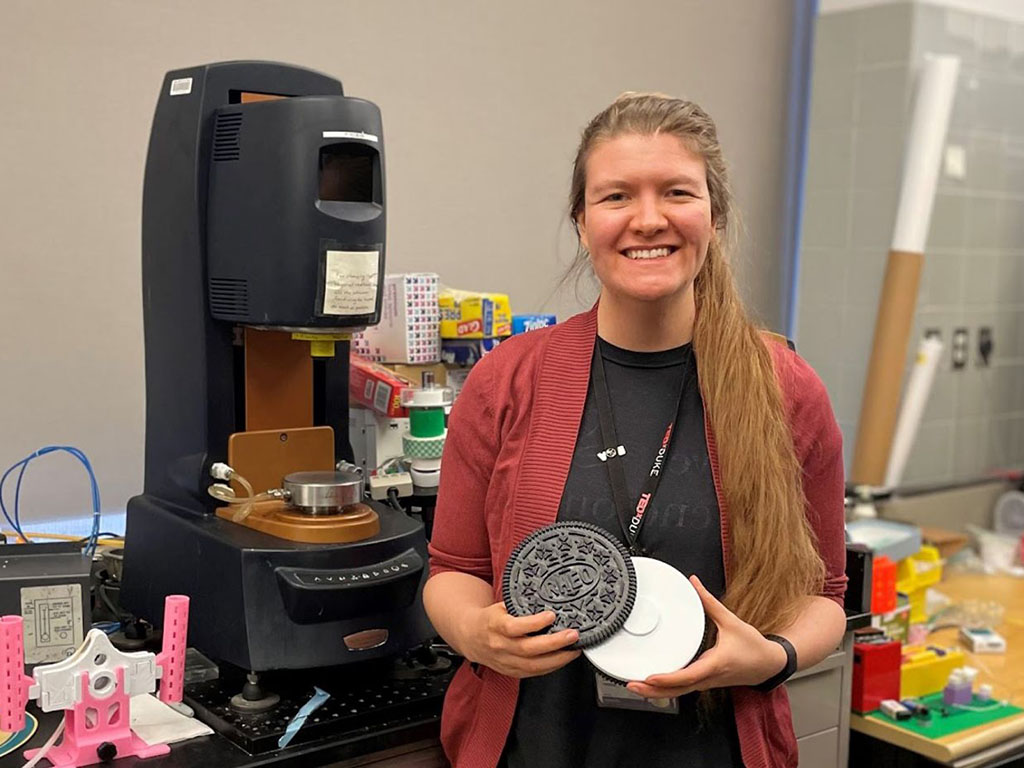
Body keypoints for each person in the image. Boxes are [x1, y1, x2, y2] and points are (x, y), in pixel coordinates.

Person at [423, 92, 847, 768]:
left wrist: (773, 656)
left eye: (677, 192)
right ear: (583, 220)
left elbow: (822, 598)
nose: (648, 220)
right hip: (536, 746)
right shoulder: (507, 380)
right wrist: (478, 633)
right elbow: (454, 570)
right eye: (617, 196)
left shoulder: (785, 390)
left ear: (714, 213)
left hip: (716, 750)